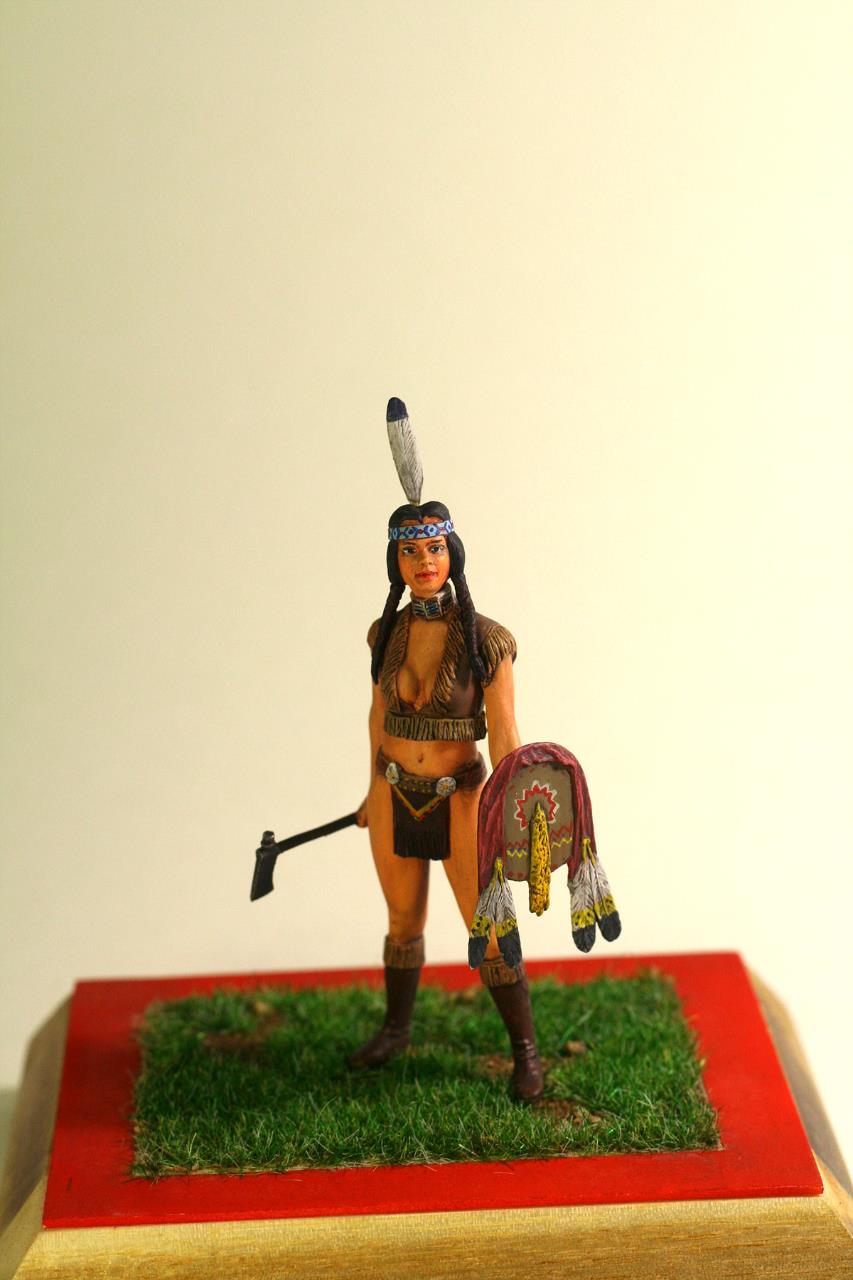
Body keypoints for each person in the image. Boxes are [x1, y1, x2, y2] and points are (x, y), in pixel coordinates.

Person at [350, 494, 545, 1101]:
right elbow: (377, 717)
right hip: (392, 792)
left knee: (489, 927)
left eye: (434, 547)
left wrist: (514, 807)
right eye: (410, 551)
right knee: (402, 921)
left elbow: (506, 732)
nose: (424, 561)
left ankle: (525, 1051)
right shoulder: (385, 633)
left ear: (452, 552)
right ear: (395, 561)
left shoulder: (487, 640)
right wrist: (369, 792)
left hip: (461, 800)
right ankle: (395, 1030)